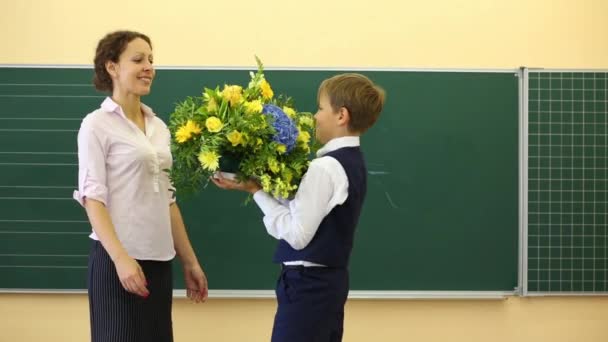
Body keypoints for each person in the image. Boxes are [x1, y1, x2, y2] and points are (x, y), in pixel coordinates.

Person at [212, 73, 385, 342]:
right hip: (327, 283)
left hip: (308, 285)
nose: (315, 116)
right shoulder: (351, 161)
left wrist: (255, 191)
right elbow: (304, 211)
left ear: (342, 115)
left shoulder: (325, 167)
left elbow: (297, 234)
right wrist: (262, 186)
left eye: (321, 108)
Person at [73, 30, 208, 342]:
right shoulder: (96, 124)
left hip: (159, 261)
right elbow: (93, 198)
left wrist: (190, 261)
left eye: (150, 59)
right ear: (112, 67)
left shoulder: (159, 128)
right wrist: (122, 260)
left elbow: (167, 200)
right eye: (138, 60)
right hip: (117, 262)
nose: (149, 66)